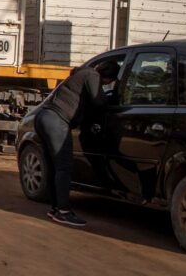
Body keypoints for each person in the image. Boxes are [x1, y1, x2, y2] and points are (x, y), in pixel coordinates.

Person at [33, 58, 122, 227]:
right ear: (109, 77)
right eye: (110, 81)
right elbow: (98, 100)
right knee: (64, 166)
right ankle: (64, 211)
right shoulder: (92, 75)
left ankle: (55, 208)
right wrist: (111, 97)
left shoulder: (82, 73)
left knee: (53, 166)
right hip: (56, 120)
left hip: (44, 117)